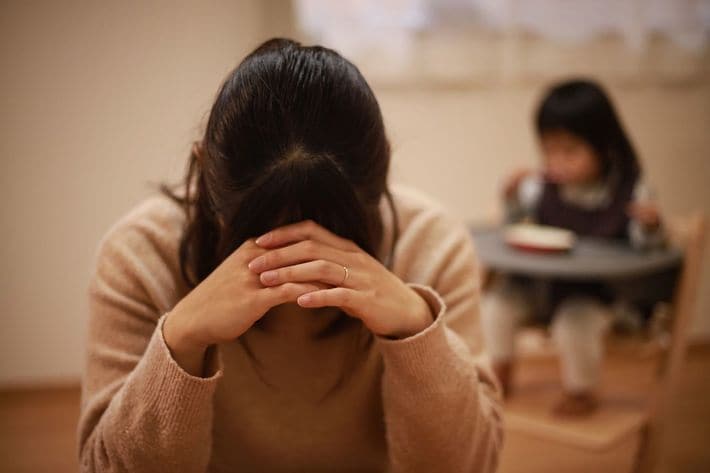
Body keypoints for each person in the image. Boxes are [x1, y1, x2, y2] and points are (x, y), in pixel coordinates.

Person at [77, 38, 502, 472]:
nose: (300, 260)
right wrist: (181, 340)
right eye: (261, 232)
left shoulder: (431, 245)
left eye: (331, 229)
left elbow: (472, 465)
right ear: (204, 171)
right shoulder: (141, 253)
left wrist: (416, 327)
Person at [481, 79, 665, 416]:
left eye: (570, 151)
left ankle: (581, 390)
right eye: (549, 151)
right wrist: (511, 195)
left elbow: (646, 247)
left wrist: (651, 226)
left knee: (574, 323)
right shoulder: (540, 187)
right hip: (539, 286)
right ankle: (499, 372)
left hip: (596, 295)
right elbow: (511, 224)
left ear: (604, 146)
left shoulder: (630, 192)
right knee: (496, 304)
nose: (557, 162)